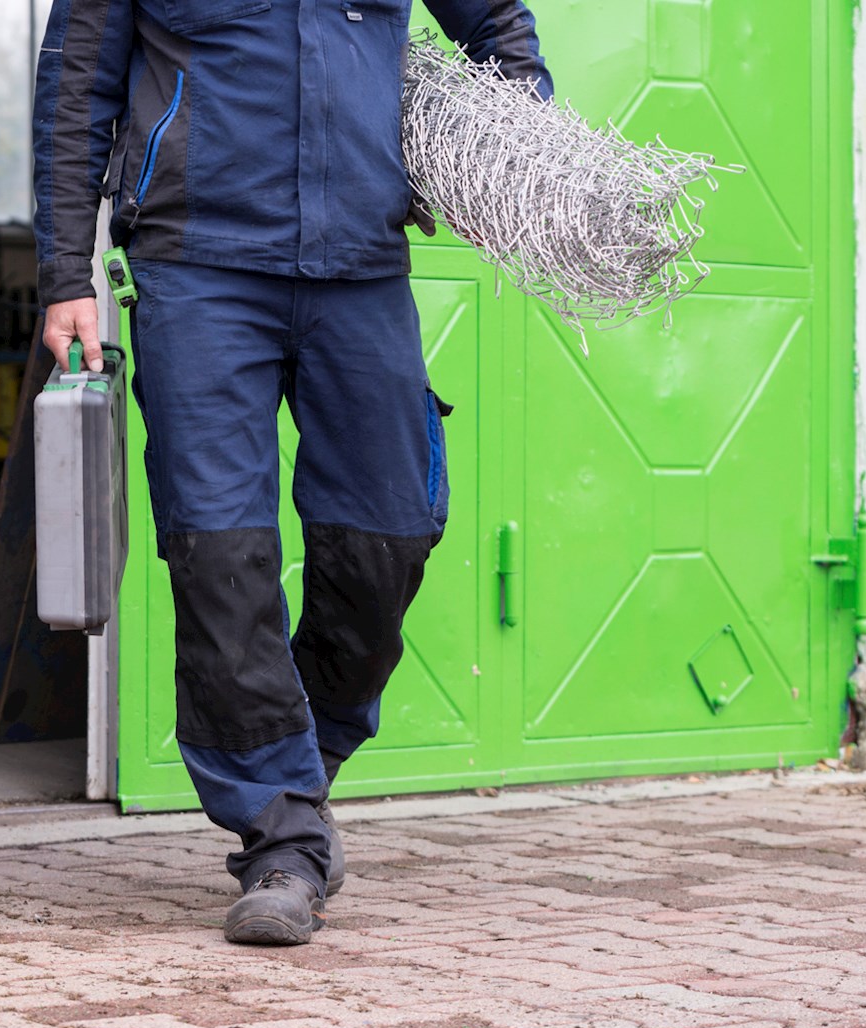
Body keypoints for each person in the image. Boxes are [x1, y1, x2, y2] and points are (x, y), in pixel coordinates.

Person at [31, 0, 552, 945]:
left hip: (361, 264)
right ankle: (282, 839)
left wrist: (500, 157)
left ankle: (296, 762)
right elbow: (76, 85)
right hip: (198, 266)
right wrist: (68, 271)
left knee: (389, 534)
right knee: (218, 551)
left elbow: (501, 29)